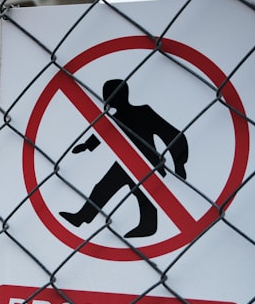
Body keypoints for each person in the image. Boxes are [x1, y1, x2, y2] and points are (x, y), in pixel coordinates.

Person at [59, 78, 188, 239]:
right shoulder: (114, 119)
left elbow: (171, 135)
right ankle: (82, 217)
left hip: (149, 164)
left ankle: (148, 225)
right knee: (103, 187)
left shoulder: (143, 112)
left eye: (109, 95)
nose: (106, 99)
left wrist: (179, 163)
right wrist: (87, 145)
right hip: (126, 163)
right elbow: (102, 134)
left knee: (142, 194)